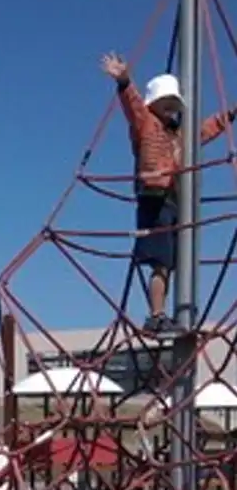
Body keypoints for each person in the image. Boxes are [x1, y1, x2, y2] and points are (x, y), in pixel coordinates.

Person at [100, 52, 237, 334]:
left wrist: (231, 114)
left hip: (175, 199)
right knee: (161, 262)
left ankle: (166, 315)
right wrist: (124, 80)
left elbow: (207, 129)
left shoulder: (180, 133)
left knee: (172, 262)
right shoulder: (145, 123)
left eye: (173, 105)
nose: (169, 110)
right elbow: (133, 105)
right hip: (154, 195)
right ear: (155, 104)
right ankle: (156, 316)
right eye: (165, 104)